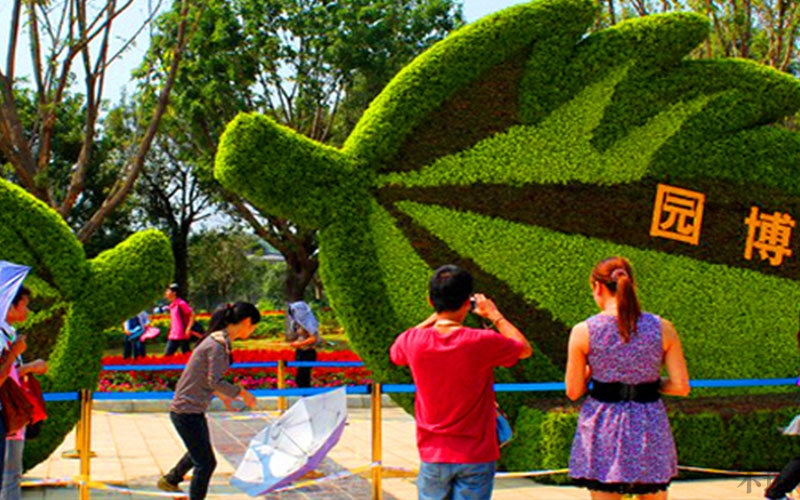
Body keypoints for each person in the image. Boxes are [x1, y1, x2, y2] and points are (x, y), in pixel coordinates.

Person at [389, 264, 533, 500]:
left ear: (430, 300)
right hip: (476, 451)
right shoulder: (481, 341)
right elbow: (524, 349)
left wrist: (434, 316)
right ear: (468, 302)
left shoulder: (413, 340)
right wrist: (495, 315)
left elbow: (396, 351)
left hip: (433, 451)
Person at [565, 256, 690, 499]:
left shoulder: (584, 331)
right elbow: (681, 386)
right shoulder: (662, 327)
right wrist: (649, 382)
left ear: (598, 287)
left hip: (603, 420)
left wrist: (595, 369)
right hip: (648, 420)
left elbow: (573, 390)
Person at [157, 302, 260, 499]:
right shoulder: (218, 345)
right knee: (205, 463)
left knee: (198, 451)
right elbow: (215, 380)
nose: (252, 331)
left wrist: (225, 396)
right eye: (253, 326)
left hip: (190, 409)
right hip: (186, 411)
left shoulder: (218, 340)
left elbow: (207, 378)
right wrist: (242, 393)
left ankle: (171, 480)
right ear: (247, 322)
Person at [1, 285, 47, 500]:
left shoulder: (8, 333)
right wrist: (20, 359)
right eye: (25, 305)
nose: (28, 311)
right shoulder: (3, 338)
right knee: (9, 475)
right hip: (6, 411)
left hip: (12, 411)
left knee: (12, 473)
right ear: (10, 305)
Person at [286, 301, 320, 388]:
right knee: (301, 378)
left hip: (308, 352)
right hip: (300, 351)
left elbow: (314, 338)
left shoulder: (309, 322)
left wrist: (300, 343)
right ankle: (304, 398)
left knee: (302, 379)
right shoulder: (299, 322)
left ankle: (307, 398)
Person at [164, 283, 195, 356]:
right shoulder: (172, 305)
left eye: (168, 291)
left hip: (183, 334)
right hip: (174, 334)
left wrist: (188, 329)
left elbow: (192, 315)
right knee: (168, 355)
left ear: (174, 293)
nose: (166, 293)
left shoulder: (181, 303)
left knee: (186, 354)